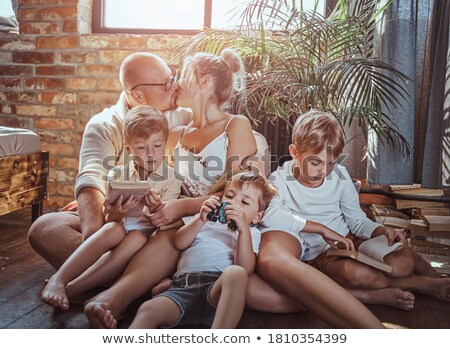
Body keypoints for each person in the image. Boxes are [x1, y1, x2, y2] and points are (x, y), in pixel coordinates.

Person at [83, 48, 259, 328]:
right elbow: (160, 179)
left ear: (202, 79)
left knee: (170, 233)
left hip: (212, 217)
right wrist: (133, 197)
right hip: (177, 219)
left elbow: (235, 189)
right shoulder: (175, 133)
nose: (175, 84)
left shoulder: (236, 124)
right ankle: (107, 299)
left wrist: (182, 206)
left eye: (179, 76)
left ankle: (116, 296)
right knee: (159, 232)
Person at [260, 111, 449, 317]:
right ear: (295, 152)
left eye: (330, 163)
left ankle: (419, 268)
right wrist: (320, 229)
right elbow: (270, 215)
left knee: (402, 263)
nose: (323, 171)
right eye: (315, 163)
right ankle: (419, 283)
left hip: (350, 240)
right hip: (319, 256)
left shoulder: (339, 176)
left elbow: (357, 220)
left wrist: (381, 230)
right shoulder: (278, 179)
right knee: (359, 275)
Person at [28, 52, 191, 270]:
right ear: (138, 96)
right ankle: (124, 273)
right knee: (44, 227)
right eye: (165, 83)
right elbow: (92, 177)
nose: (174, 86)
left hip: (160, 224)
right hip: (116, 221)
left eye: (172, 77)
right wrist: (96, 233)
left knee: (170, 238)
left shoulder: (183, 116)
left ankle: (99, 274)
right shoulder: (104, 124)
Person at [41, 105, 182, 310]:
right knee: (112, 229)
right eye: (142, 148)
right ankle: (59, 279)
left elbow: (165, 221)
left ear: (165, 143)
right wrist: (116, 214)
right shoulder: (117, 174)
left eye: (158, 145)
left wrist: (156, 207)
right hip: (118, 229)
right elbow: (109, 218)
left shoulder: (172, 178)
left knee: (135, 238)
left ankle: (73, 288)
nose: (151, 153)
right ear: (128, 148)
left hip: (145, 238)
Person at [128, 171, 277, 329]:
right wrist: (200, 219)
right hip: (183, 287)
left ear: (257, 217)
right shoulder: (205, 220)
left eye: (245, 202)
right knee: (148, 310)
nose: (234, 203)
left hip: (217, 291)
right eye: (229, 195)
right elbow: (179, 243)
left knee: (236, 273)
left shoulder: (251, 233)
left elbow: (245, 268)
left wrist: (243, 231)